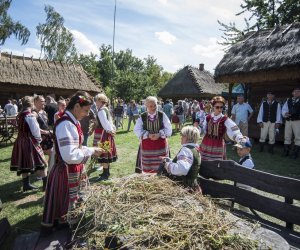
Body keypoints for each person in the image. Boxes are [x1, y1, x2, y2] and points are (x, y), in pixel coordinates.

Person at [41, 91, 104, 234]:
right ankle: (64, 230)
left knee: (73, 203)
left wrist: (91, 149)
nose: (87, 114)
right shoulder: (65, 125)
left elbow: (76, 148)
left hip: (72, 170)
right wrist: (90, 151)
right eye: (86, 110)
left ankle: (69, 226)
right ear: (76, 106)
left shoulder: (72, 122)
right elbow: (69, 155)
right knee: (65, 206)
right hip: (65, 173)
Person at [10, 96, 48, 191]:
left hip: (20, 141)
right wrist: (38, 141)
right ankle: (46, 185)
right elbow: (35, 131)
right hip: (30, 141)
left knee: (24, 163)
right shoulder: (30, 116)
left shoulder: (20, 115)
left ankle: (26, 185)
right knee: (41, 163)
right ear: (32, 104)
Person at [134, 96, 172, 173]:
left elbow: (169, 129)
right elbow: (137, 130)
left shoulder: (162, 115)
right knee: (148, 166)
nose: (154, 107)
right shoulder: (142, 116)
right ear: (146, 106)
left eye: (155, 105)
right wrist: (147, 135)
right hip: (147, 146)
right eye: (151, 106)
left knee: (161, 165)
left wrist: (160, 134)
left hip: (160, 145)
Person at [158, 126, 202, 193]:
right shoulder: (194, 149)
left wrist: (167, 164)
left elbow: (182, 170)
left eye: (182, 136)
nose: (181, 137)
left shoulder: (186, 150)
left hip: (184, 187)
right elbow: (186, 163)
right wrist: (169, 160)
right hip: (191, 184)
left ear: (187, 137)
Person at [200, 96, 244, 160]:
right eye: (217, 107)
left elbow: (234, 129)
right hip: (206, 143)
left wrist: (240, 138)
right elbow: (203, 129)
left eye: (221, 107)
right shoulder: (208, 117)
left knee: (217, 164)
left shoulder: (225, 119)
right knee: (204, 161)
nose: (219, 109)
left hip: (218, 144)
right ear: (213, 107)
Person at [93, 93, 117, 181]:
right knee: (104, 152)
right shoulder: (105, 109)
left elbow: (105, 123)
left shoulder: (101, 111)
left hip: (102, 134)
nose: (95, 102)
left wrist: (110, 130)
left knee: (103, 153)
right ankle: (105, 172)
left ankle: (106, 174)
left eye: (96, 101)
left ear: (100, 101)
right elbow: (110, 121)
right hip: (106, 133)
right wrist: (112, 129)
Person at [233, 137, 255, 212]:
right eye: (237, 149)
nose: (238, 151)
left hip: (245, 186)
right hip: (240, 185)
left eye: (241, 149)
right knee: (232, 199)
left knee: (243, 205)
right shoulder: (243, 158)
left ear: (248, 150)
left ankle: (247, 216)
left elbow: (242, 173)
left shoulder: (248, 161)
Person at [281, 87, 300, 159]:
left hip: (297, 121)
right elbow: (284, 109)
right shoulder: (288, 100)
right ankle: (286, 152)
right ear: (293, 93)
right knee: (287, 136)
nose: (297, 93)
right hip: (288, 121)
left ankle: (295, 154)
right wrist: (285, 113)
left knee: (298, 137)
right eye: (295, 91)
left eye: (298, 92)